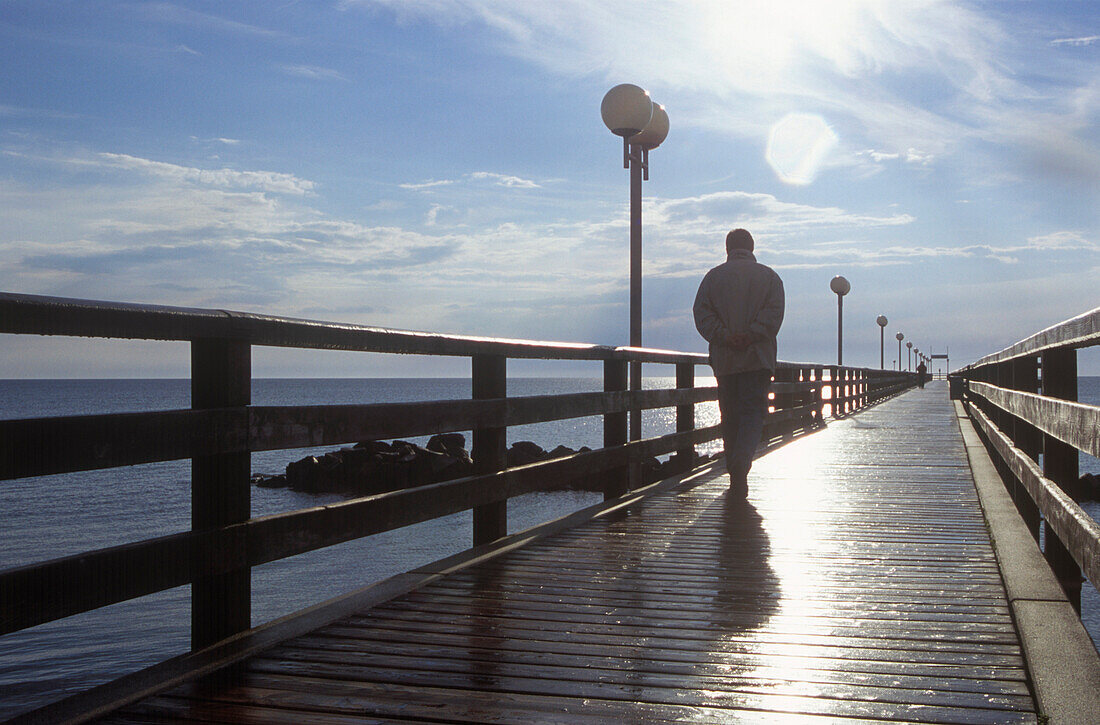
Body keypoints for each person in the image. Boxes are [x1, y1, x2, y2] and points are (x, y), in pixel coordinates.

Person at [693, 228, 784, 497]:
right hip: (758, 359)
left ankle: (735, 470)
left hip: (725, 360)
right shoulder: (770, 277)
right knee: (753, 413)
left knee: (729, 415)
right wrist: (752, 334)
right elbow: (774, 313)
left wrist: (724, 336)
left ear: (727, 248)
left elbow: (702, 314)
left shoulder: (713, 278)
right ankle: (741, 464)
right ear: (752, 247)